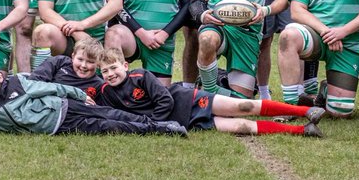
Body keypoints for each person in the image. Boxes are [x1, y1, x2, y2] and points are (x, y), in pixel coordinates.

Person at [96, 49, 324, 137]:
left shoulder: (141, 75)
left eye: (114, 68)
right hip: (185, 122)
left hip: (189, 101)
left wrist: (155, 124)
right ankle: (303, 130)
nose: (110, 74)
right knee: (241, 126)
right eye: (105, 71)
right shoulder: (106, 92)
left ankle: (306, 111)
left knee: (243, 106)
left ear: (125, 65)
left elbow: (165, 100)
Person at [0, 61, 187, 136]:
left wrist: (79, 94)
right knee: (108, 126)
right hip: (58, 127)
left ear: (0, 77)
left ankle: (161, 125)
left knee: (110, 113)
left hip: (64, 107)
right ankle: (159, 130)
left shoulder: (17, 83)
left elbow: (50, 87)